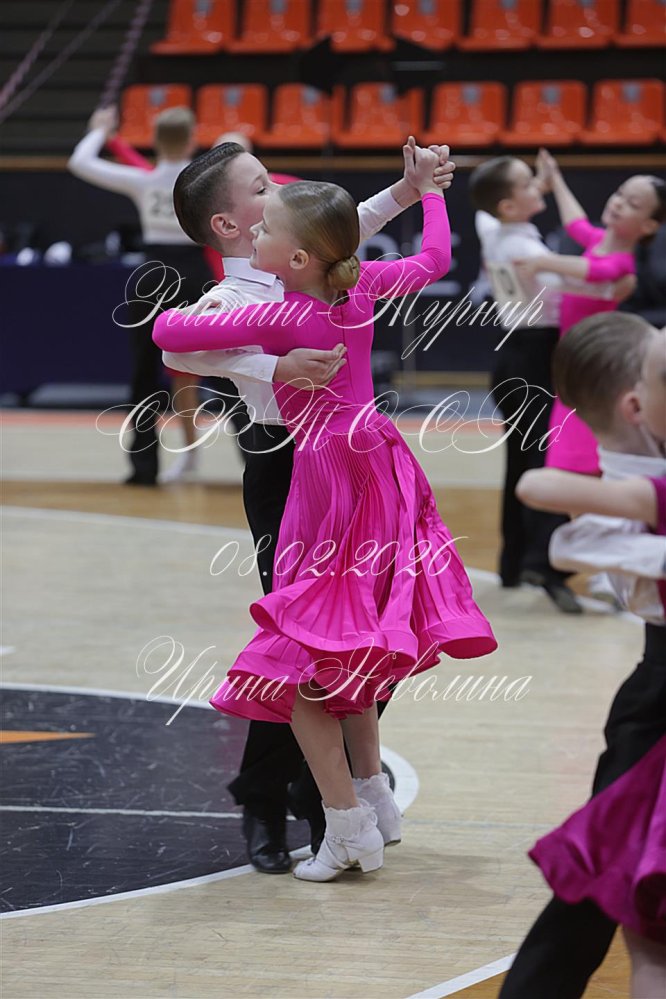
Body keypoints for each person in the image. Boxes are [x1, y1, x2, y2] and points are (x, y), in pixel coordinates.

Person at [153, 145, 497, 882]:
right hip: (285, 465)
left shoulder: (314, 258)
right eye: (261, 186)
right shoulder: (236, 294)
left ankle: (344, 801)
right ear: (232, 224)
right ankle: (273, 801)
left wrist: (409, 189)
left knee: (363, 635)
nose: (278, 186)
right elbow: (185, 354)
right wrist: (270, 365)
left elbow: (345, 222)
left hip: (351, 464)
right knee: (305, 643)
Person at [499, 315, 666, 997]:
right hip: (656, 708)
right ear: (637, 403)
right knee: (610, 889)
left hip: (651, 698)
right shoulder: (640, 485)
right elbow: (556, 513)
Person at [68, 105, 215, 485]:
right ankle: (257, 462)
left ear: (154, 141)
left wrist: (100, 129)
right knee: (229, 368)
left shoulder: (143, 180)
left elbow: (79, 162)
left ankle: (143, 467)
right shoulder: (207, 181)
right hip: (195, 276)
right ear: (192, 140)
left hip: (152, 277)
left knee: (144, 372)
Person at [470, 154, 584, 613]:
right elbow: (594, 284)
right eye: (528, 183)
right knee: (544, 463)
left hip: (512, 358)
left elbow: (484, 212)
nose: (537, 185)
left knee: (522, 460)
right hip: (535, 361)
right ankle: (543, 565)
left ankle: (514, 562)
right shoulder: (531, 254)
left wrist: (536, 184)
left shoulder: (494, 228)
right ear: (509, 205)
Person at [514, 155, 666, 476]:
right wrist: (556, 180)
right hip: (569, 363)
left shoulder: (622, 265)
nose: (619, 203)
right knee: (564, 454)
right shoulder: (597, 241)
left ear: (649, 225)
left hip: (588, 367)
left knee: (577, 457)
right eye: (620, 194)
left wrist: (543, 261)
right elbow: (575, 223)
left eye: (633, 204)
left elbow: (593, 271)